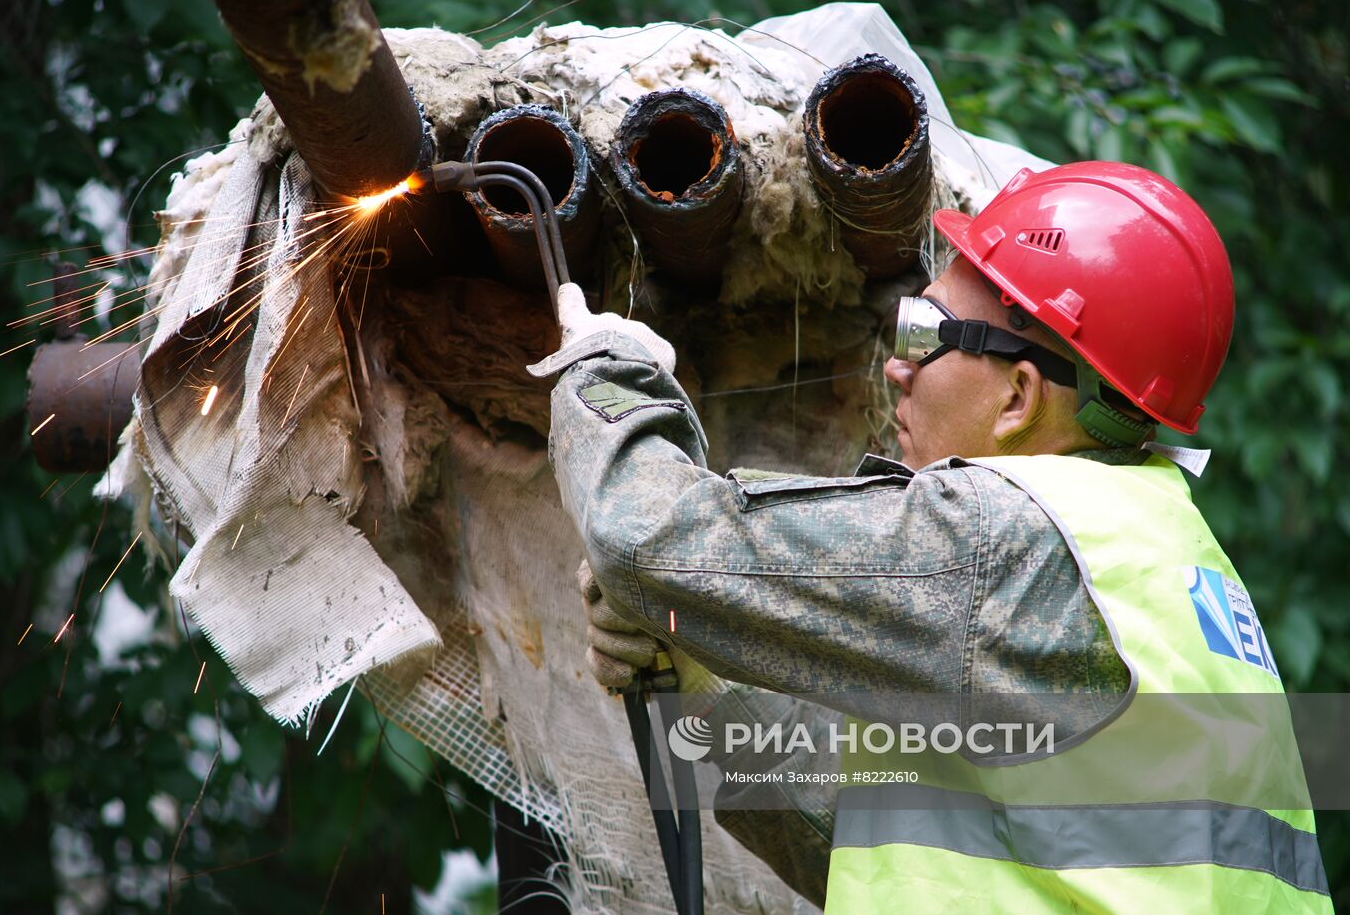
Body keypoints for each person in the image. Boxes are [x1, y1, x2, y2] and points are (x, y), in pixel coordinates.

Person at [528, 161, 1331, 912]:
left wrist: (607, 371)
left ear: (1019, 396)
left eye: (926, 330)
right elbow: (880, 842)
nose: (897, 367)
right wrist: (701, 671)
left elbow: (643, 536)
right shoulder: (1160, 558)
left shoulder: (1009, 539)